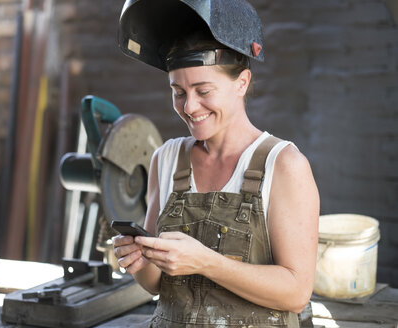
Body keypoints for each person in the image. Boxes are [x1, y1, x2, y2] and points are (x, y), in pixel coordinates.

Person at [113, 0, 320, 327]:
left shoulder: (283, 165)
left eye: (203, 90)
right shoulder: (165, 159)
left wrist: (207, 262)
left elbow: (296, 292)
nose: (190, 106)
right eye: (178, 91)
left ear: (242, 83)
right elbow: (156, 284)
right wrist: (139, 260)